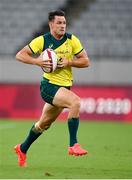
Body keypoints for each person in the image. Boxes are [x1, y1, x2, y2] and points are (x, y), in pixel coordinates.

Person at [14, 10, 90, 167]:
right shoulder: (43, 40)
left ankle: (22, 148)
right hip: (48, 86)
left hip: (64, 88)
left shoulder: (71, 40)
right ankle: (73, 145)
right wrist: (38, 61)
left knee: (43, 125)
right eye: (59, 23)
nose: (62, 26)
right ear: (51, 24)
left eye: (64, 23)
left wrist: (69, 62)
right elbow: (20, 55)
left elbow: (86, 61)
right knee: (75, 102)